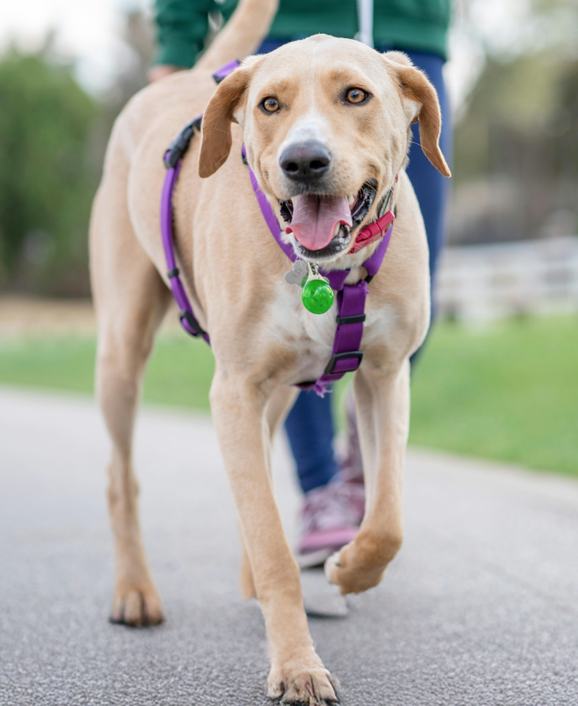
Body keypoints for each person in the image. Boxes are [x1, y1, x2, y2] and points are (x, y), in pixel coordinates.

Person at [151, 0, 451, 567]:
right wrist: (174, 44)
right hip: (281, 30)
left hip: (408, 30)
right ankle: (320, 489)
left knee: (404, 316)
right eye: (269, 106)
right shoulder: (268, 83)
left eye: (353, 97)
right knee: (290, 333)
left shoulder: (404, 83)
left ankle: (363, 472)